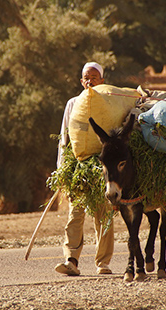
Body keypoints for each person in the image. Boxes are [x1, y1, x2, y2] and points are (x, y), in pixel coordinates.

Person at [55, 62, 114, 276]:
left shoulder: (108, 103)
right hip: (78, 167)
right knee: (75, 214)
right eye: (86, 77)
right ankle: (71, 260)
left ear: (102, 81)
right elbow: (64, 138)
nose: (89, 81)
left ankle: (103, 263)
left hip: (101, 168)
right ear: (81, 81)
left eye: (94, 77)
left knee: (103, 214)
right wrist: (62, 169)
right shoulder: (73, 104)